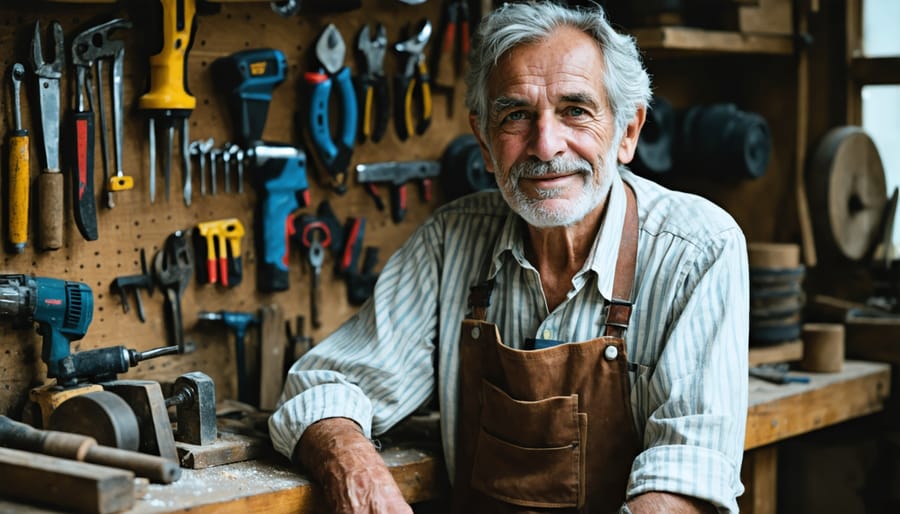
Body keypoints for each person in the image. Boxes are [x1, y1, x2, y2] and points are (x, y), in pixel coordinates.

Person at [269, 2, 749, 512]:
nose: (545, 146)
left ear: (628, 131)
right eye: (516, 115)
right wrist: (355, 469)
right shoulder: (451, 242)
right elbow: (320, 388)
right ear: (483, 141)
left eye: (575, 111)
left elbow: (687, 478)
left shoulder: (697, 250)